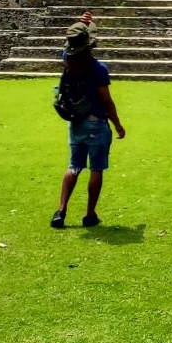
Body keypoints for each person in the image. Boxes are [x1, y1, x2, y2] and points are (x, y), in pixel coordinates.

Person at [50, 23, 125, 229]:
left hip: (76, 121)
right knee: (96, 169)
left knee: (74, 166)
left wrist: (82, 23)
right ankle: (90, 214)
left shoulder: (68, 62)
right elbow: (107, 102)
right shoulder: (98, 69)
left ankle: (60, 211)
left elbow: (69, 47)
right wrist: (118, 125)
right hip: (96, 123)